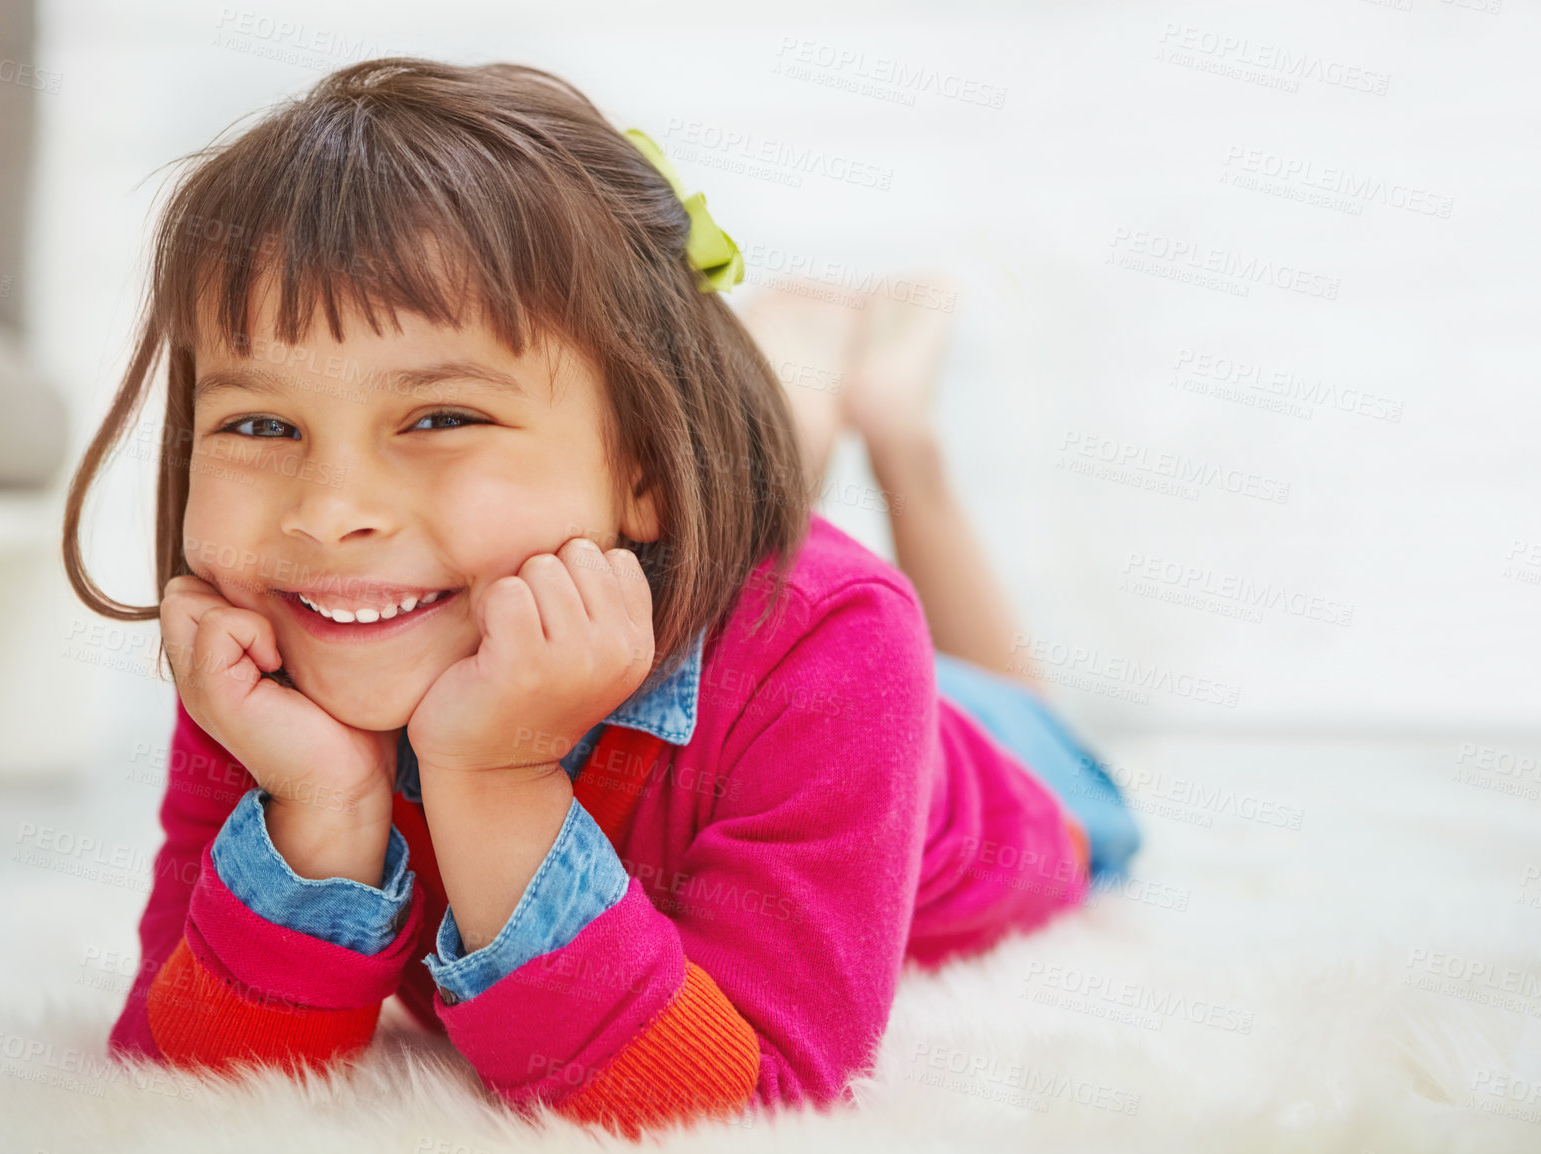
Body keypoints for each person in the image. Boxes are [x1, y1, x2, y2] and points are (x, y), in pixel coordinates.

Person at [61, 57, 1139, 1139]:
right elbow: (187, 1076)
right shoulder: (307, 626)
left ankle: (898, 433)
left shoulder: (838, 640)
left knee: (1001, 697)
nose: (326, 512)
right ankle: (796, 390)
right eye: (260, 426)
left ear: (647, 472)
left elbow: (749, 1107)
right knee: (717, 513)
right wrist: (321, 807)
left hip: (982, 761)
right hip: (666, 544)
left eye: (440, 418)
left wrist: (496, 778)